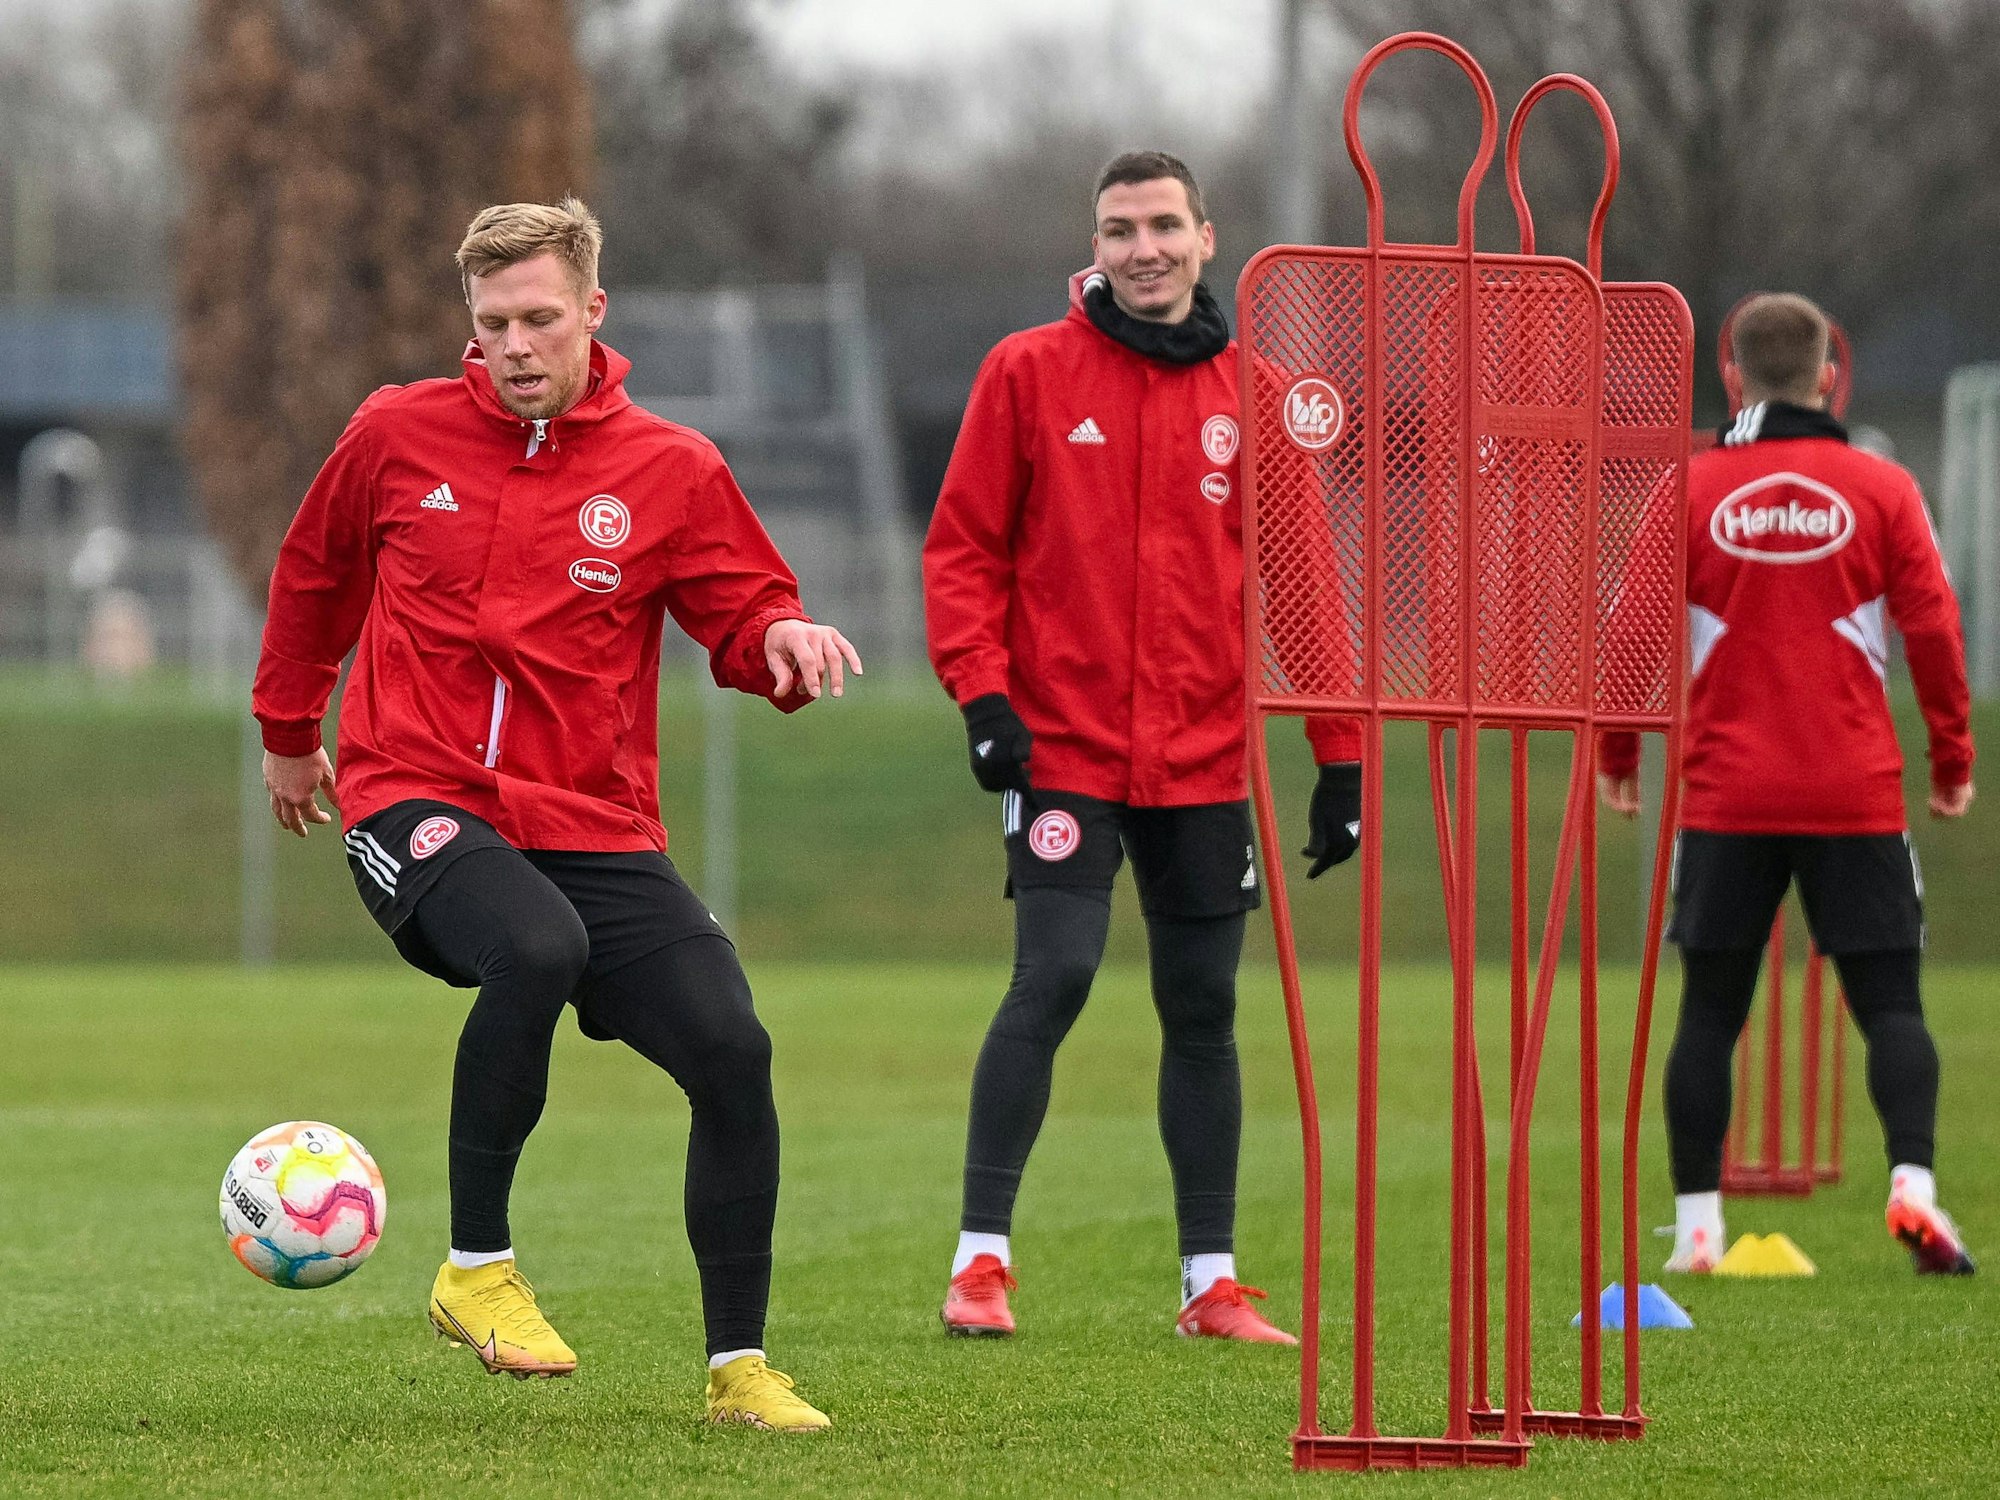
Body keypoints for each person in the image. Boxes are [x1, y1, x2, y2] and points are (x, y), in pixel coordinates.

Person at [254, 198, 858, 1428]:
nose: (516, 344)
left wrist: (780, 639)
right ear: (468, 326)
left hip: (591, 822)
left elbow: (743, 608)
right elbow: (315, 574)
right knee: (532, 945)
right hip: (410, 795)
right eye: (492, 324)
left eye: (539, 317)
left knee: (733, 1052)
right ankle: (476, 1271)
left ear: (592, 311)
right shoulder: (394, 432)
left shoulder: (671, 469)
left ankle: (737, 1370)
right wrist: (287, 734)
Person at [922, 151, 1362, 1342]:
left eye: (1164, 225)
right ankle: (978, 1265)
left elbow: (1306, 582)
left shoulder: (1257, 393)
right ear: (1096, 244)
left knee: (1203, 1005)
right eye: (1120, 228)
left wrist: (1339, 755)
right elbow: (962, 549)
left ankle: (1207, 1284)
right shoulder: (1027, 370)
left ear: (1206, 238)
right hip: (1061, 746)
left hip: (1206, 758)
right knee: (1052, 976)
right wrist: (981, 698)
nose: (1143, 248)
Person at [1599, 292, 1976, 1276]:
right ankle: (1912, 1189)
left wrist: (1615, 758)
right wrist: (1950, 760)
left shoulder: (1684, 486)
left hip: (1726, 798)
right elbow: (1933, 632)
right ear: (1826, 377)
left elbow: (1629, 631)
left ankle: (1695, 1231)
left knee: (1708, 1016)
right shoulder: (1882, 487)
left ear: (1728, 379)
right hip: (1851, 791)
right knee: (1890, 1006)